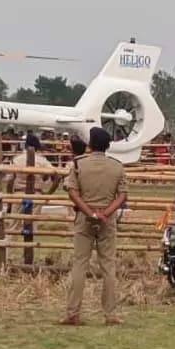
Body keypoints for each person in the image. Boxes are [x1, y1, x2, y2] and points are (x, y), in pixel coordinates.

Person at [62, 127, 128, 326]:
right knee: (108, 266)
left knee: (79, 264)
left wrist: (89, 212)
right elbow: (123, 196)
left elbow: (72, 192)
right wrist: (105, 213)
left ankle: (73, 312)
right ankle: (110, 314)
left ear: (90, 144)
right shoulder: (117, 167)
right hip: (107, 220)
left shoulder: (78, 164)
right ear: (108, 145)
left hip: (84, 218)